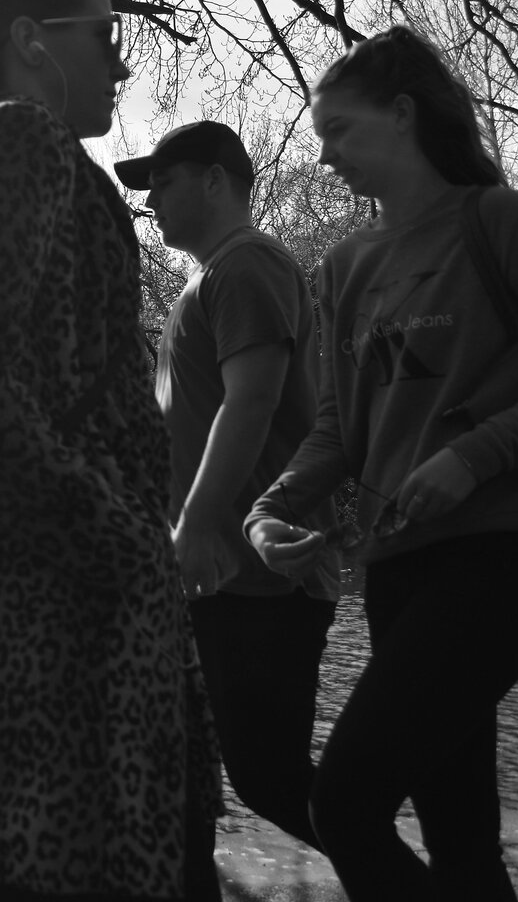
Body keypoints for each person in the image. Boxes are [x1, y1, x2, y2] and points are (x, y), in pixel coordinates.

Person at [0, 0, 222, 901]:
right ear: (34, 42)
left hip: (51, 654)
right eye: (105, 33)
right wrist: (112, 537)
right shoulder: (18, 143)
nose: (121, 59)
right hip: (49, 665)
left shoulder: (34, 161)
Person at [245, 25, 518, 901]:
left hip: (503, 557)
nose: (325, 154)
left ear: (404, 114)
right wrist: (271, 509)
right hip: (395, 566)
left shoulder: (504, 224)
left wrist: (477, 455)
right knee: (461, 840)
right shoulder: (345, 265)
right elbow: (342, 427)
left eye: (338, 130)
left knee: (344, 804)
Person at [114, 122, 340, 851]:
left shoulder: (248, 266)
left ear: (216, 179)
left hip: (264, 575)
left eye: (165, 181)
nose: (151, 202)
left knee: (267, 775)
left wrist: (200, 524)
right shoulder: (207, 281)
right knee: (226, 781)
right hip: (219, 577)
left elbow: (254, 401)